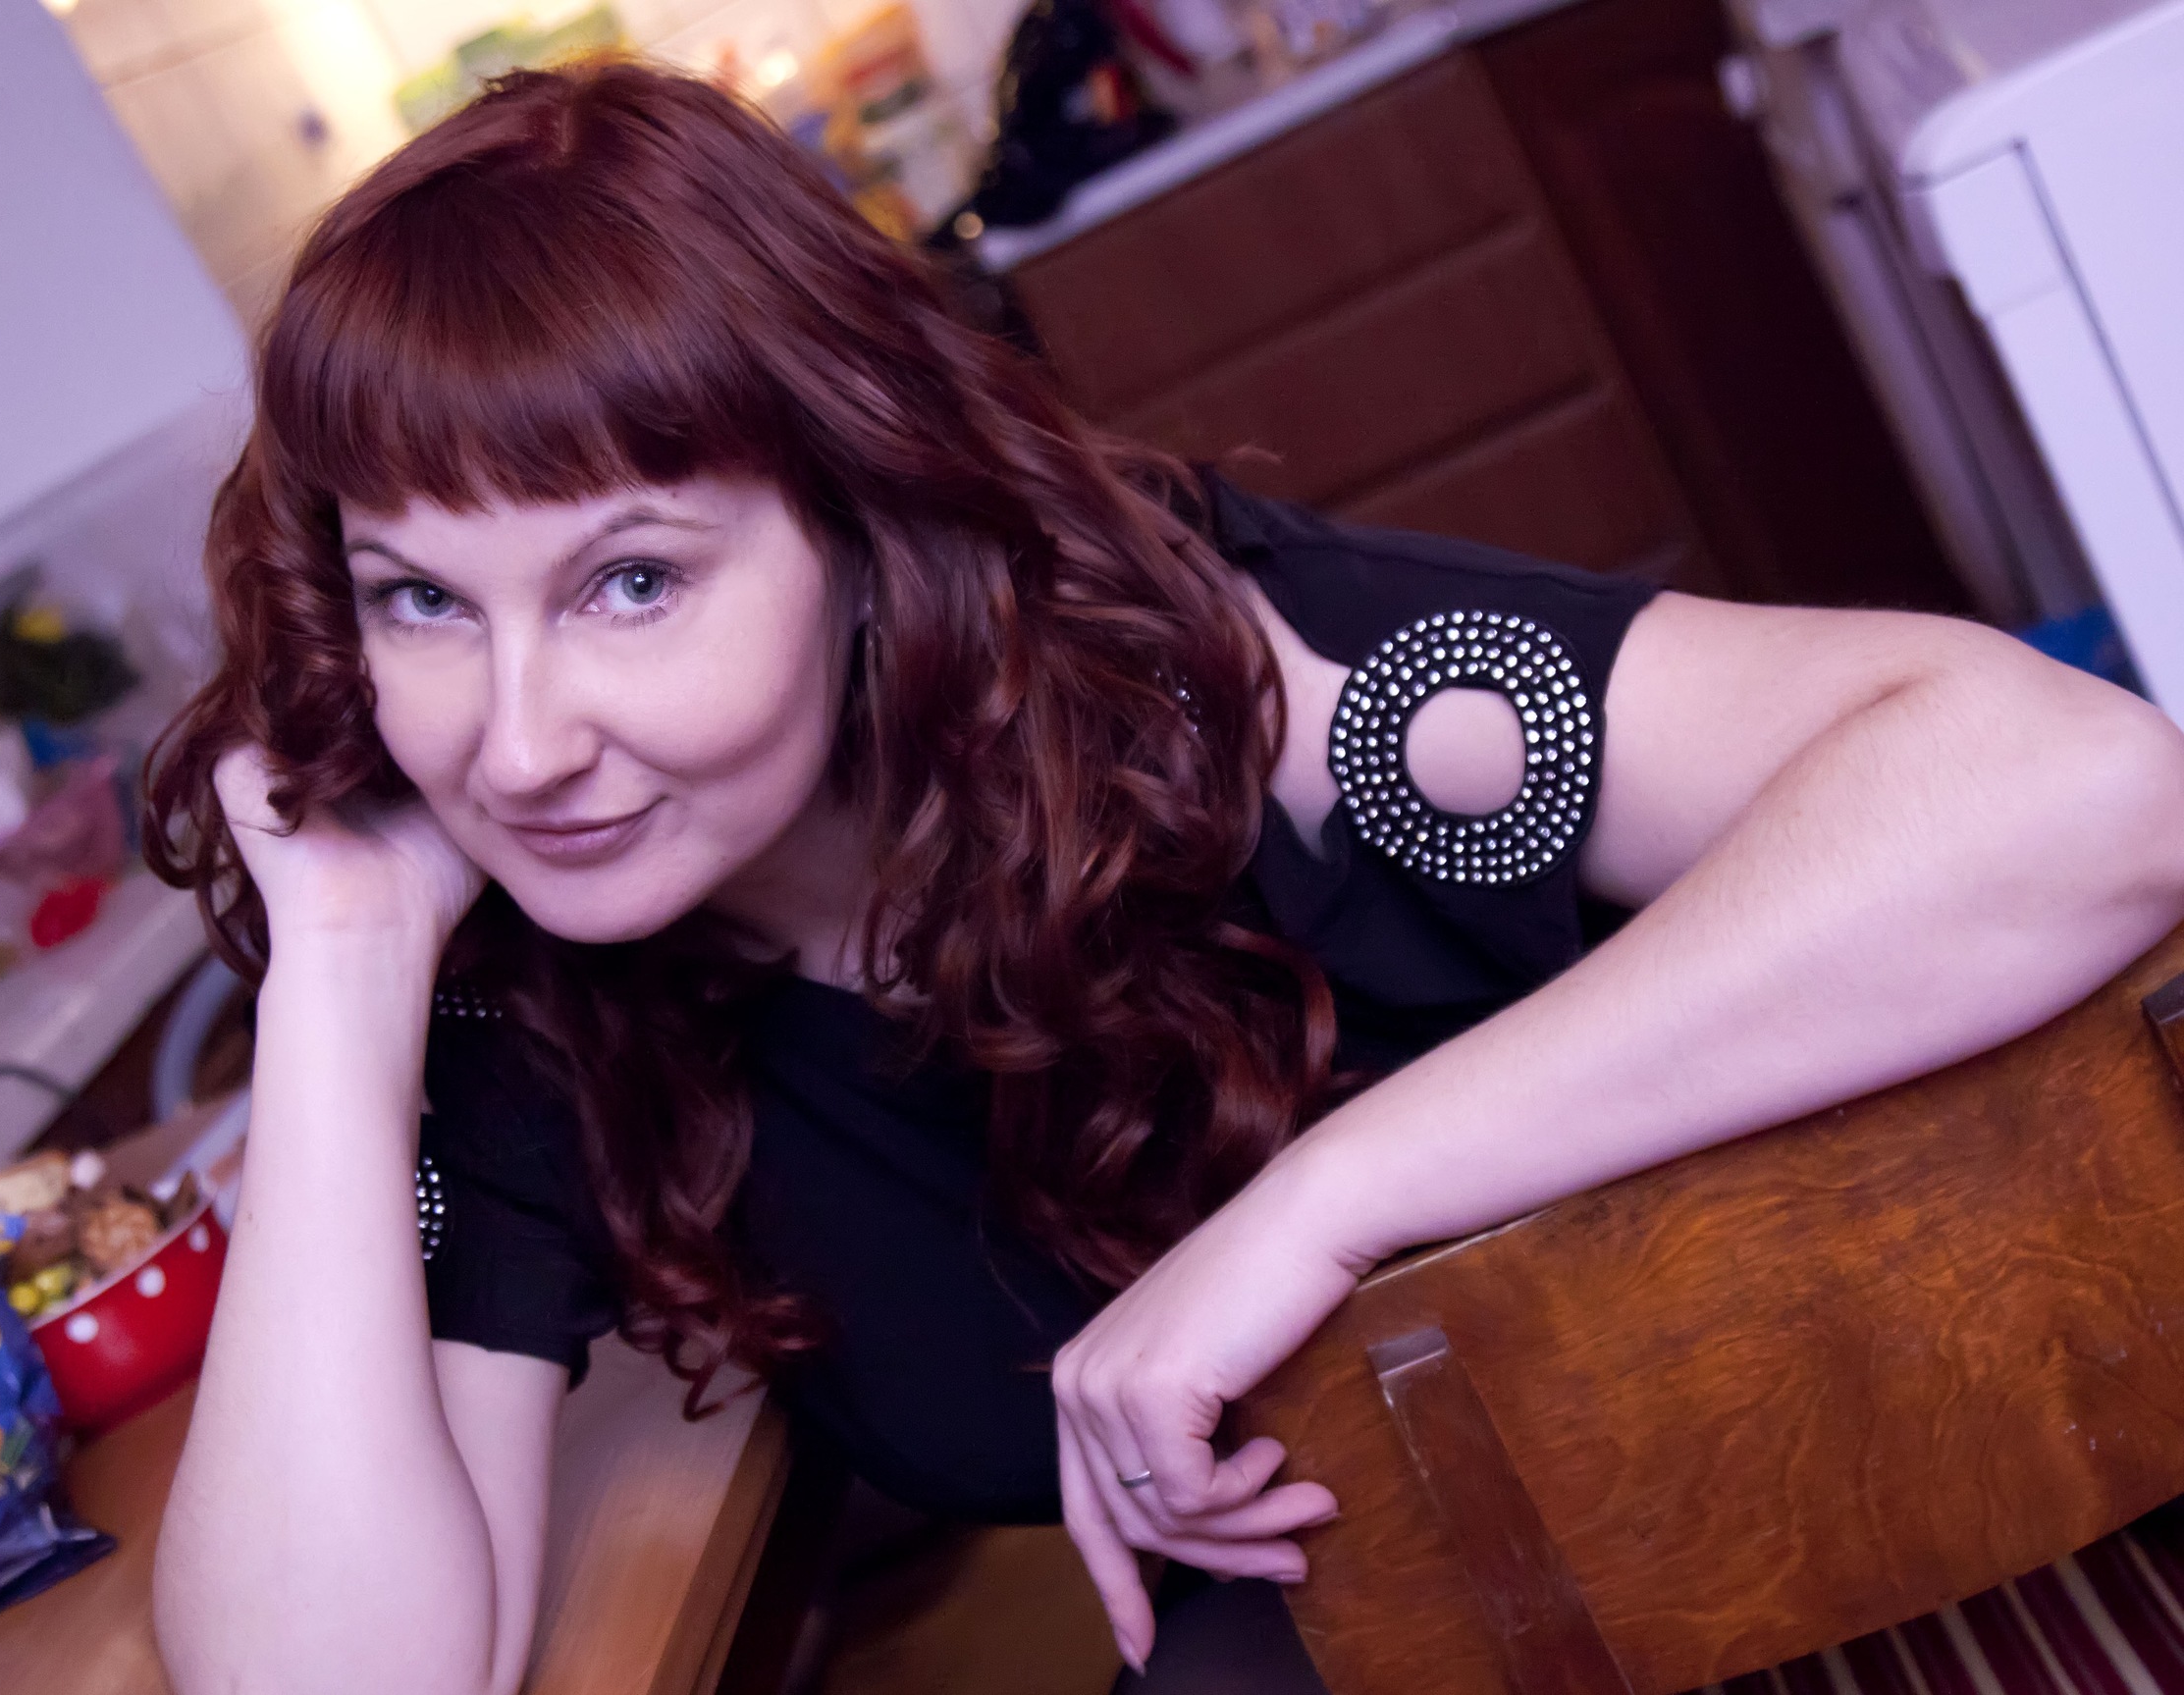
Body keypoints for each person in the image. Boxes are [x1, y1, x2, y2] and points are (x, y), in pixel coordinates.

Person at [140, 59, 2184, 1695]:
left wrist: (1330, 1204)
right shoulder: (544, 1015)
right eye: (420, 601)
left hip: (1903, 1504)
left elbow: (2081, 785)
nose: (515, 745)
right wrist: (339, 961)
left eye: (633, 584)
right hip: (1403, 1632)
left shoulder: (1231, 696)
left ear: (855, 521)